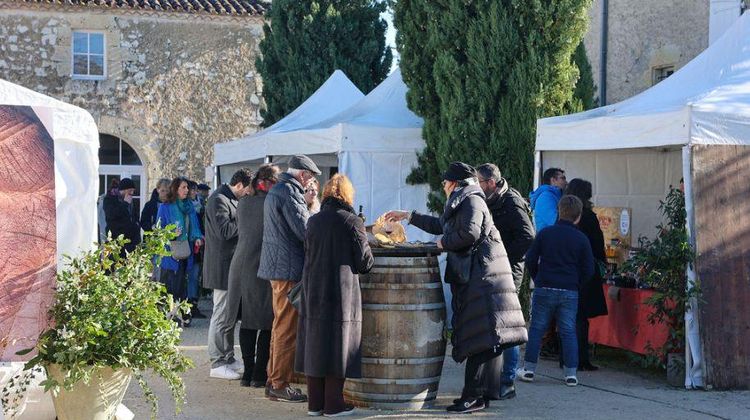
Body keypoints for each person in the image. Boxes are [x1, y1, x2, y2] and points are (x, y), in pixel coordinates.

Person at [386, 162, 527, 414]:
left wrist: (442, 244)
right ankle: (478, 397)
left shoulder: (472, 201)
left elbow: (470, 233)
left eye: (444, 182)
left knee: (481, 340)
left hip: (483, 278)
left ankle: (473, 397)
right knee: (485, 340)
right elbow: (444, 225)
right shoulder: (466, 200)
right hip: (480, 276)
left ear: (454, 183)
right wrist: (409, 216)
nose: (442, 187)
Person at [295, 174, 374, 417]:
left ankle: (315, 405)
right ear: (348, 195)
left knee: (315, 341)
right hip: (341, 291)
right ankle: (333, 404)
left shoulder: (314, 221)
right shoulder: (352, 221)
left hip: (313, 287)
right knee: (338, 344)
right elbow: (364, 262)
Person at [258, 155, 321, 403]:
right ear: (303, 175)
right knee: (286, 329)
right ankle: (280, 384)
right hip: (288, 269)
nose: (311, 181)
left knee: (279, 326)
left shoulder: (279, 189)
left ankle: (273, 380)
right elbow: (304, 230)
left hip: (279, 268)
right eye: (311, 177)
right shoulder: (290, 192)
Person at [518, 195, 595, 387]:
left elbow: (530, 259)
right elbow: (589, 269)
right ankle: (570, 374)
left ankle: (528, 369)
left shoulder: (545, 234)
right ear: (578, 216)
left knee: (536, 328)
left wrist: (538, 278)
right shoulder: (581, 238)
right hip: (569, 289)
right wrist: (577, 283)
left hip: (545, 286)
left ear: (559, 211)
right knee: (568, 331)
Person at [476, 163, 535, 400]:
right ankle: (493, 378)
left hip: (509, 271)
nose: (476, 186)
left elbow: (528, 236)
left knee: (508, 326)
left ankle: (507, 380)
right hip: (497, 269)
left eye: (479, 181)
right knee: (495, 325)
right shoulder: (492, 199)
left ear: (491, 182)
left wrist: (501, 257)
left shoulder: (511, 202)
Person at [226, 164, 280, 388]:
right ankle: (258, 373)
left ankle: (249, 372)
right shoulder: (271, 204)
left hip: (240, 265)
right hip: (261, 265)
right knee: (266, 322)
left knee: (247, 322)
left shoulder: (244, 202)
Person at [204, 168, 254, 380]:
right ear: (240, 185)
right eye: (248, 190)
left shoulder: (229, 198)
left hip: (232, 267)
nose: (249, 194)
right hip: (222, 267)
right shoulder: (218, 199)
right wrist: (246, 217)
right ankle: (217, 362)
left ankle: (228, 357)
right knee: (221, 314)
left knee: (229, 316)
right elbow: (224, 232)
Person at [565, 179, 607, 371]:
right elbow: (597, 245)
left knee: (568, 317)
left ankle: (566, 357)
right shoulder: (588, 216)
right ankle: (581, 359)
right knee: (581, 318)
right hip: (584, 272)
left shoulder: (562, 217)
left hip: (566, 271)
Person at [156, 177, 204, 314]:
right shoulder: (165, 207)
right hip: (170, 253)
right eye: (183, 187)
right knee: (170, 285)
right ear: (175, 189)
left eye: (187, 187)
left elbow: (195, 227)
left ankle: (180, 313)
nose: (186, 190)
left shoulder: (189, 207)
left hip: (185, 251)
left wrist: (197, 237)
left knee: (182, 283)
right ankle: (168, 314)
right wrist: (171, 233)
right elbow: (159, 230)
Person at [103, 177, 141, 254]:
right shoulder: (110, 199)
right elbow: (111, 215)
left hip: (130, 243)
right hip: (116, 243)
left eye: (133, 191)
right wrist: (125, 204)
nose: (132, 193)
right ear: (123, 190)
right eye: (130, 190)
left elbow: (134, 218)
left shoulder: (129, 200)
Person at [529, 168, 567, 232]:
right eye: (563, 178)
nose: (566, 182)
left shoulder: (555, 195)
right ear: (553, 180)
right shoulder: (545, 197)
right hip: (549, 239)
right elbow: (555, 221)